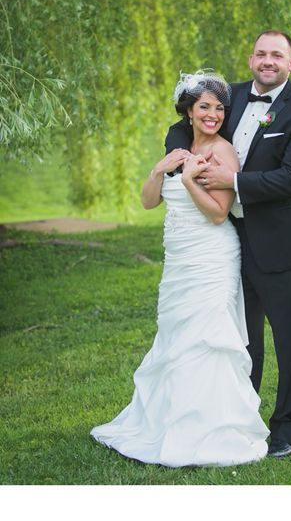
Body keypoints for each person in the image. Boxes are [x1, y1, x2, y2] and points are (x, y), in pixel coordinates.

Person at [91, 71, 269, 467]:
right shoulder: (179, 147)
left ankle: (213, 429)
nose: (213, 114)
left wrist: (190, 182)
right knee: (176, 335)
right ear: (188, 111)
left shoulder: (223, 153)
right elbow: (148, 203)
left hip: (211, 258)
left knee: (206, 337)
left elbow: (220, 214)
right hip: (179, 261)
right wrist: (160, 171)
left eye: (220, 108)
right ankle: (168, 421)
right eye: (204, 107)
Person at [165, 30, 291, 458]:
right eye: (261, 53)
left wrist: (230, 181)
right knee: (241, 336)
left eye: (277, 55)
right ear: (251, 58)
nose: (267, 60)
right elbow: (182, 126)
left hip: (282, 244)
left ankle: (289, 428)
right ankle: (238, 418)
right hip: (229, 243)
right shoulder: (228, 97)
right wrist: (183, 158)